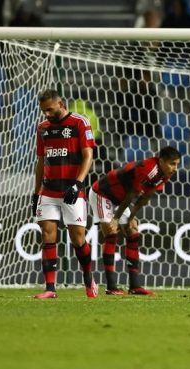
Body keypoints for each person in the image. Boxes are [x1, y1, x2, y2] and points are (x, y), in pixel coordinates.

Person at [89, 146, 182, 296]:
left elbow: (145, 197)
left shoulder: (164, 174)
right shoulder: (148, 169)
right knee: (111, 233)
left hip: (120, 199)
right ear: (162, 161)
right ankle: (111, 286)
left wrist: (131, 218)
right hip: (102, 193)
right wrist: (116, 218)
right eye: (172, 163)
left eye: (177, 164)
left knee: (133, 232)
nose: (175, 168)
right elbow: (133, 194)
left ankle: (135, 286)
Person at [32, 89, 96, 299]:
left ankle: (89, 281)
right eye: (43, 111)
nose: (46, 114)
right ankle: (50, 288)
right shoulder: (42, 128)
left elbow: (88, 155)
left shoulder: (80, 122)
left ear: (61, 104)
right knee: (47, 235)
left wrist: (78, 184)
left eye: (49, 109)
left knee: (78, 239)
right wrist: (35, 193)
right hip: (49, 191)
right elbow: (41, 161)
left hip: (72, 191)